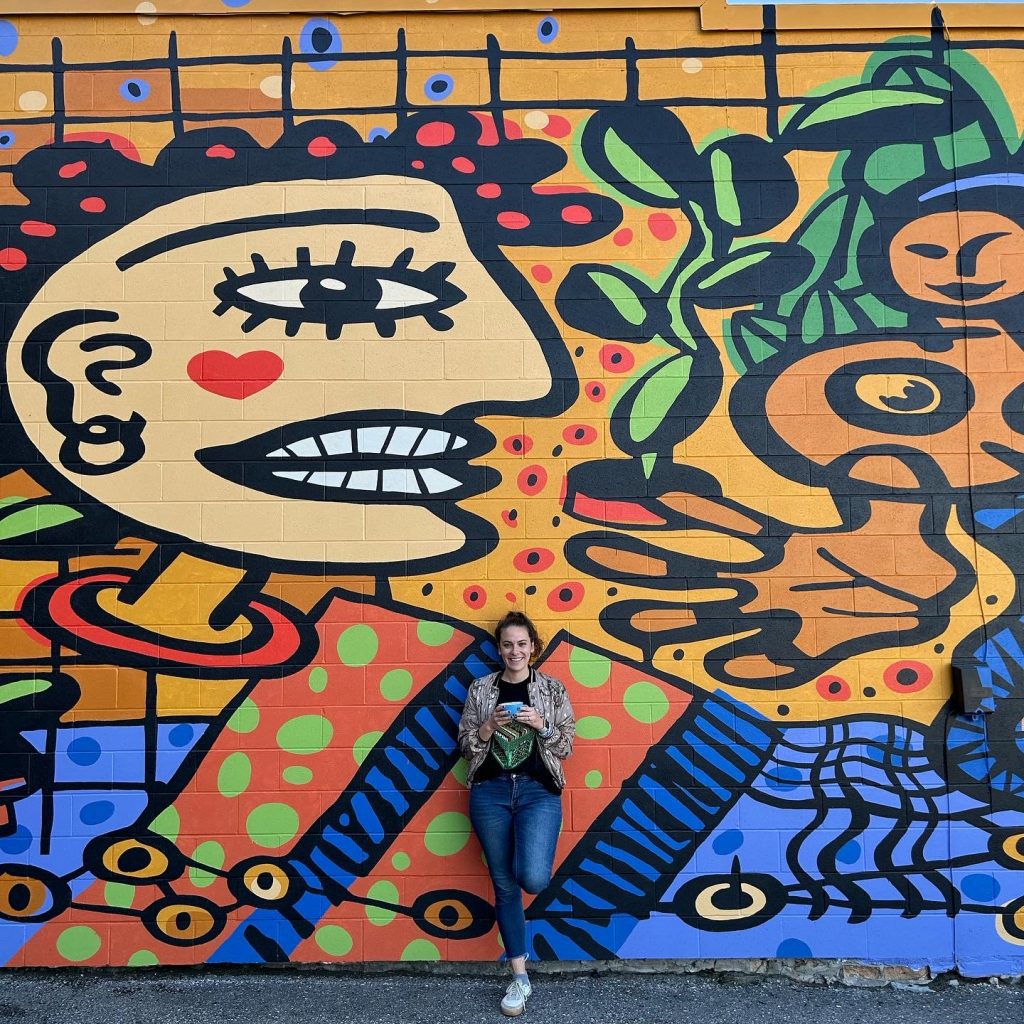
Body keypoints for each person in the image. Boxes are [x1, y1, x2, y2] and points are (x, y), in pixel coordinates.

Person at [458, 610, 575, 1016]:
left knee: (532, 878)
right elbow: (467, 746)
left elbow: (566, 747)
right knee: (505, 886)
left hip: (537, 792)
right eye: (507, 644)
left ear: (533, 648)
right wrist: (488, 726)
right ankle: (520, 977)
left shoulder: (553, 690)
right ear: (499, 648)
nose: (514, 651)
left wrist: (542, 725)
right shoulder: (480, 689)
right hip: (489, 793)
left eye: (522, 644)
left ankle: (524, 858)